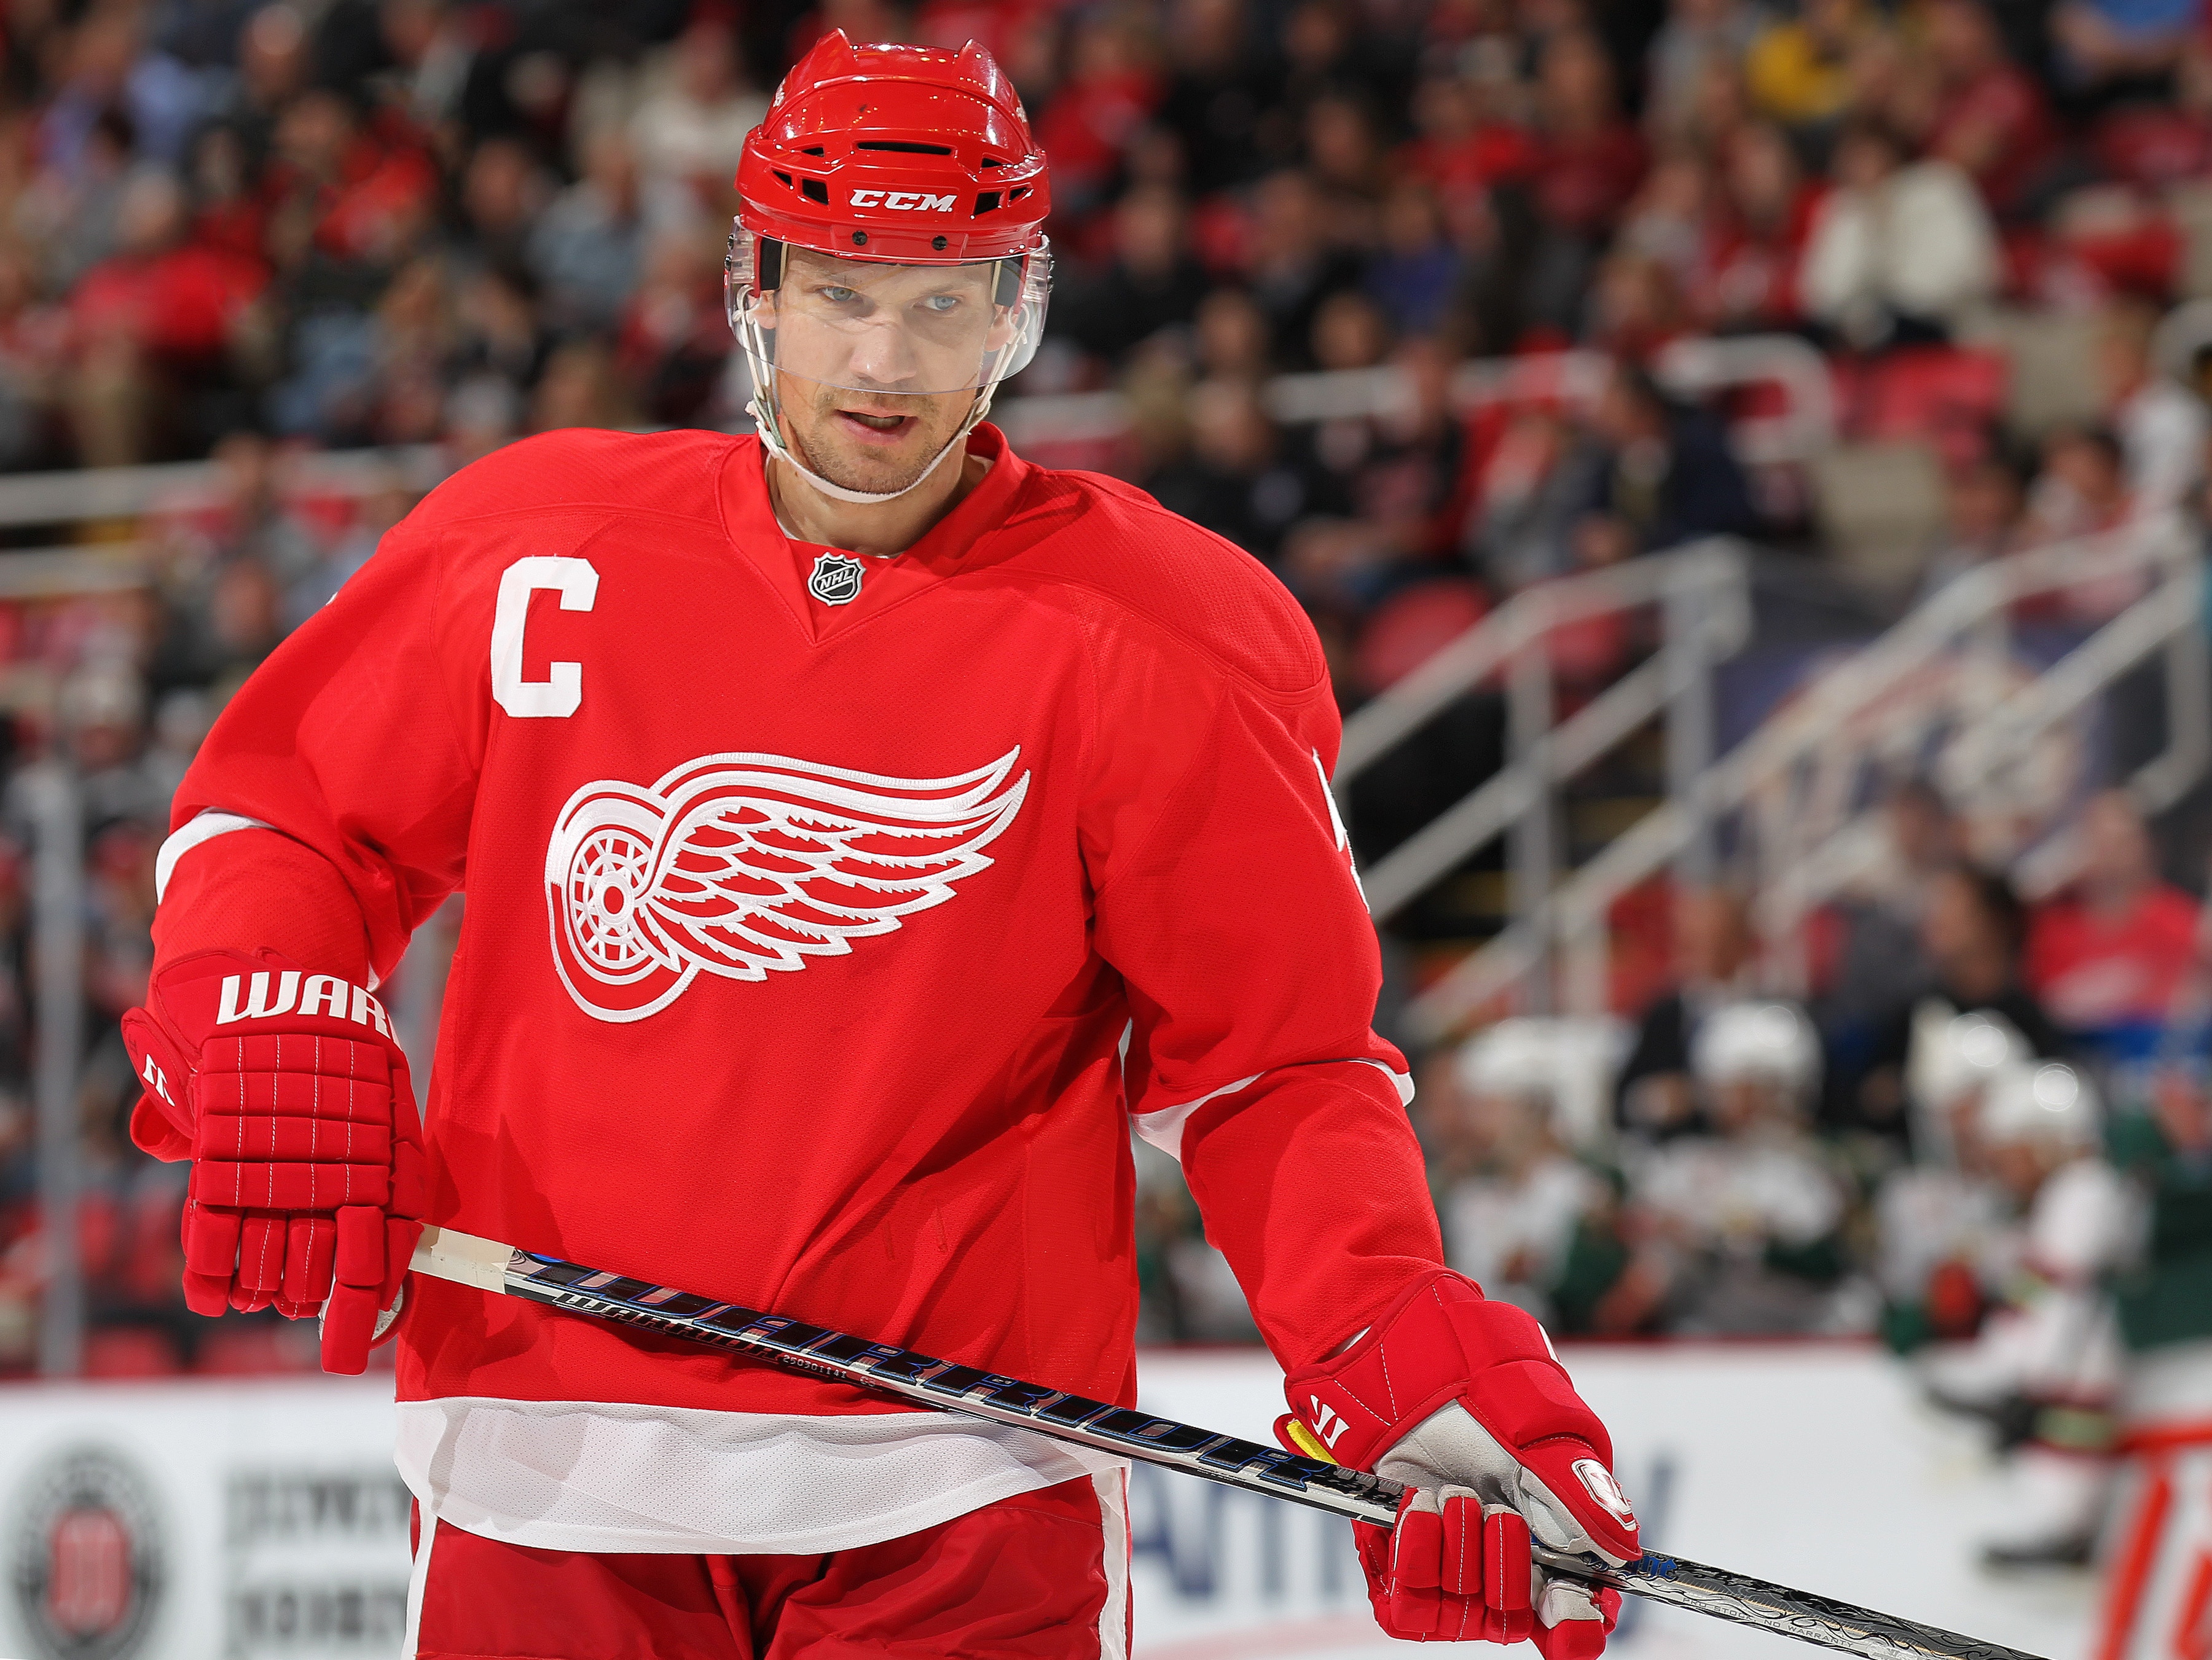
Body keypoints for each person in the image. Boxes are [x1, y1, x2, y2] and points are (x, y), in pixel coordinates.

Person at [116, 35, 1640, 1660]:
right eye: (842, 288)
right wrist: (269, 998)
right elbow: (280, 806)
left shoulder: (1168, 637)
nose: (885, 356)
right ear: (754, 288)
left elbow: (1275, 1069)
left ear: (1017, 309)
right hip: (543, 1456)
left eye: (941, 296)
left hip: (961, 1488)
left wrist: (1386, 1340)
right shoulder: (532, 546)